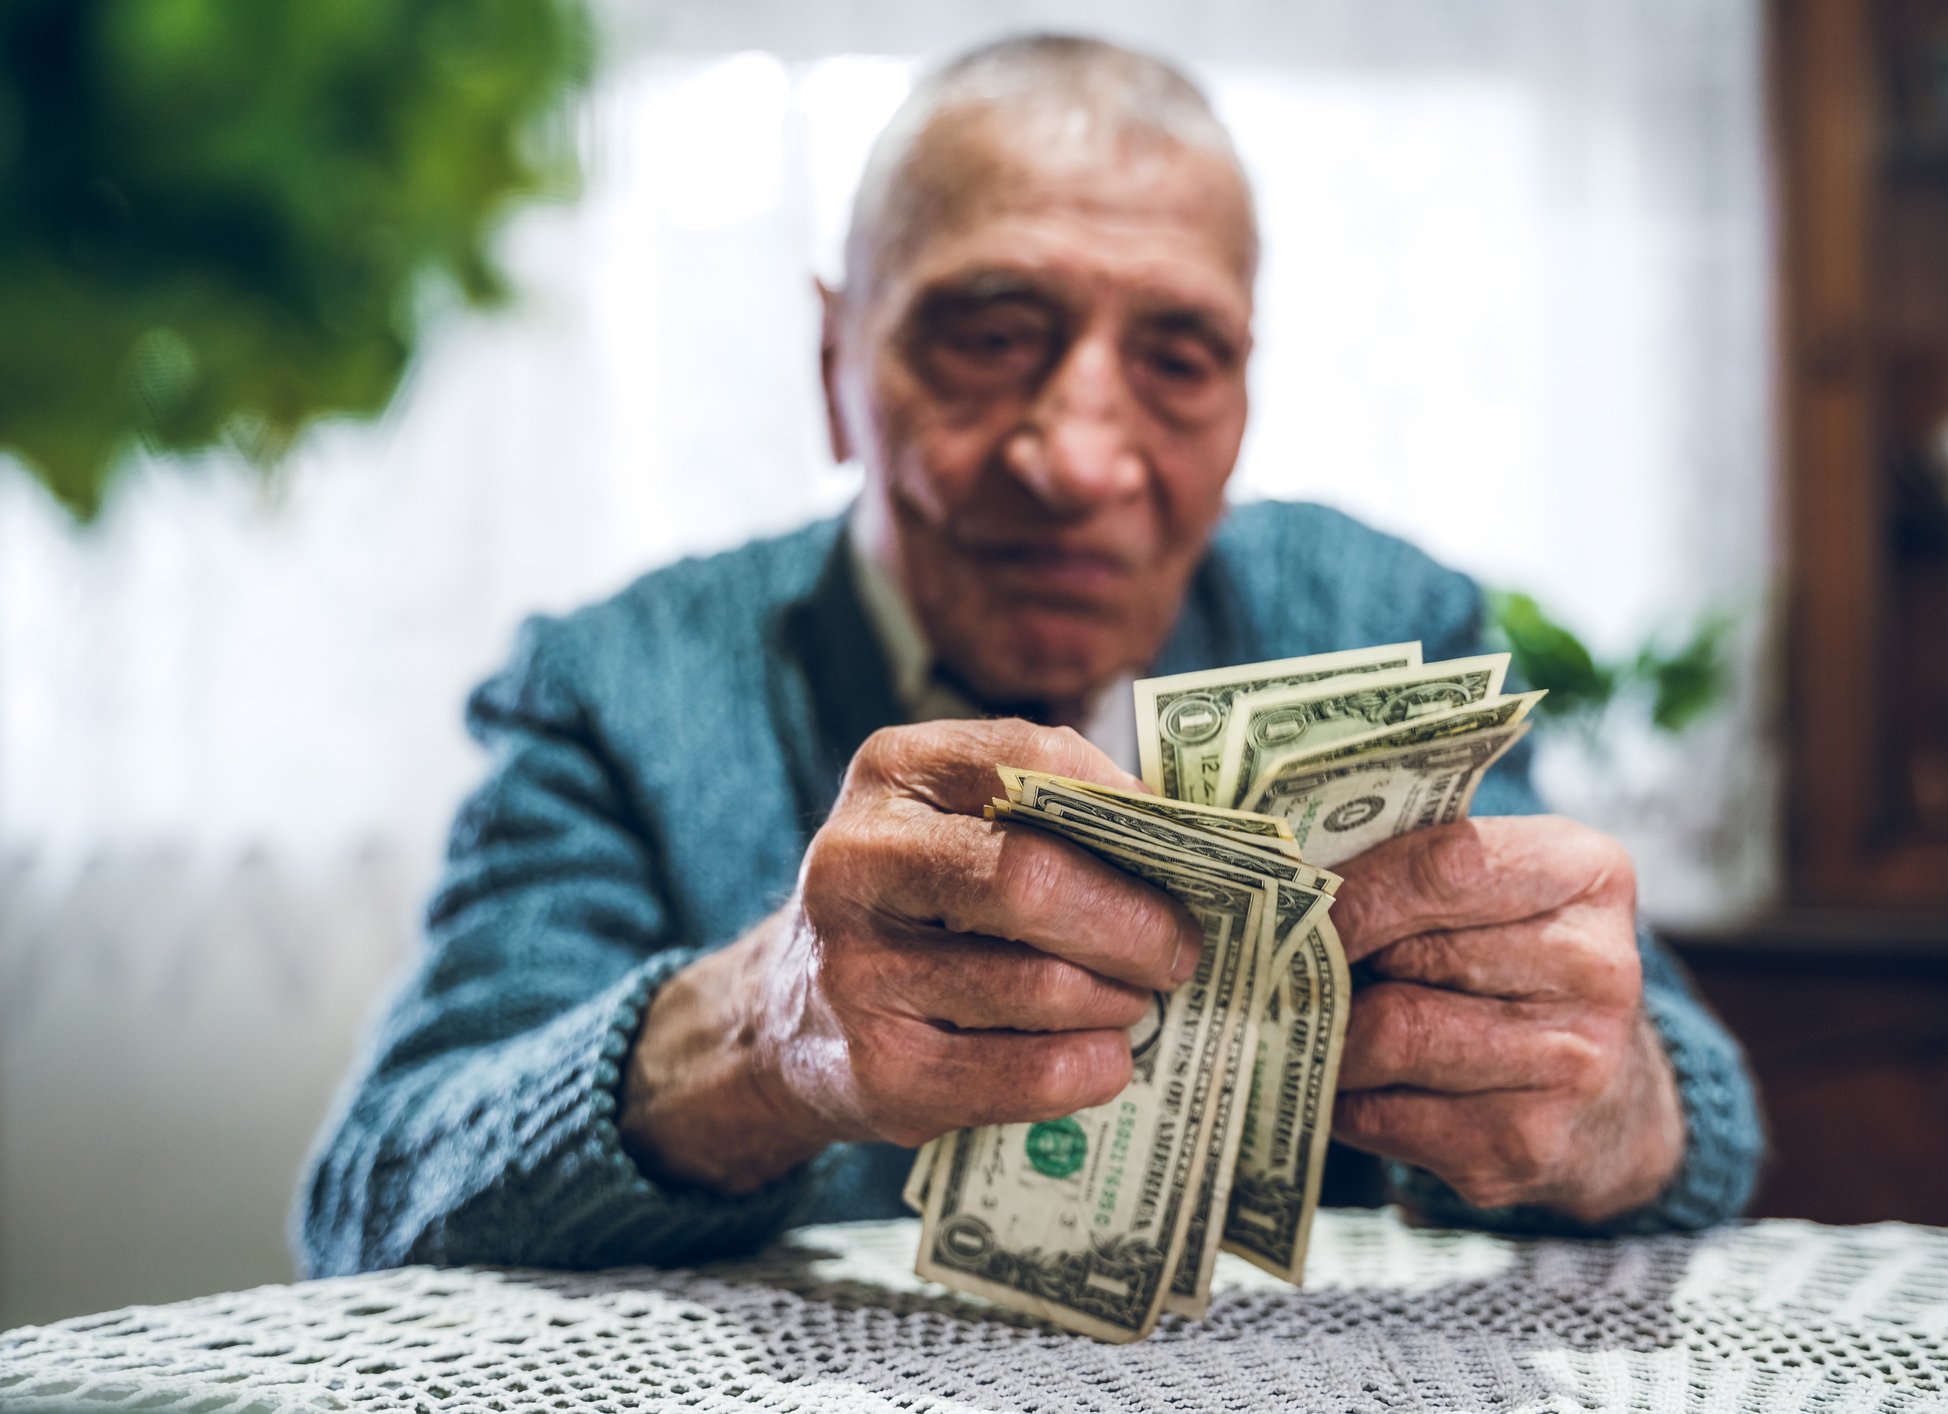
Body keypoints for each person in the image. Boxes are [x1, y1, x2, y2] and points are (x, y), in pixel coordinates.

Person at [296, 33, 1760, 1276]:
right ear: (833, 365)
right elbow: (372, 1194)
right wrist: (760, 1028)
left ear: (1245, 391)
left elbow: (1692, 1119)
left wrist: (1607, 1100)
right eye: (991, 335)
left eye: (1177, 358)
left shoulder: (1380, 621)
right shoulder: (618, 685)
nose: (1075, 457)